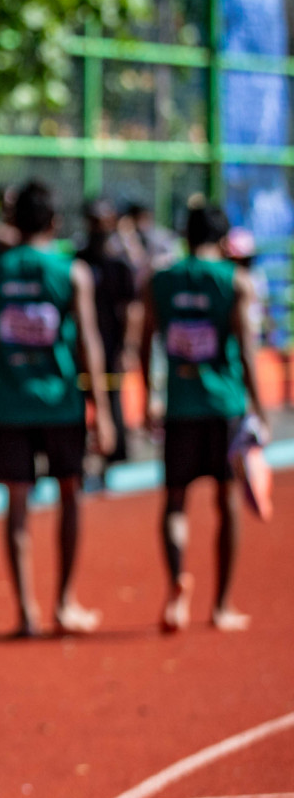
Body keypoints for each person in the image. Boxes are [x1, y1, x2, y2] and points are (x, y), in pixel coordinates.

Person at [0, 180, 115, 637]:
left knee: (18, 505)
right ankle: (64, 603)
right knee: (70, 496)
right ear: (55, 222)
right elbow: (89, 342)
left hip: (10, 407)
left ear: (11, 222)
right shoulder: (73, 272)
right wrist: (101, 410)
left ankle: (26, 612)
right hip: (61, 404)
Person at [141, 206, 266, 633]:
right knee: (226, 501)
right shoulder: (236, 281)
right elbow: (247, 350)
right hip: (224, 406)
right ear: (223, 236)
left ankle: (177, 581)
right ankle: (221, 605)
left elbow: (145, 341)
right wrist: (261, 410)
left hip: (179, 405)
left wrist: (150, 397)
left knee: (175, 502)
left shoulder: (160, 279)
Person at [76, 197, 138, 468]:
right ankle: (79, 457)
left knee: (112, 402)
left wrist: (128, 347)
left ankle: (116, 458)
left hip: (111, 347)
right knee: (79, 403)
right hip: (80, 349)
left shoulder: (120, 265)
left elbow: (132, 310)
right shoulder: (79, 262)